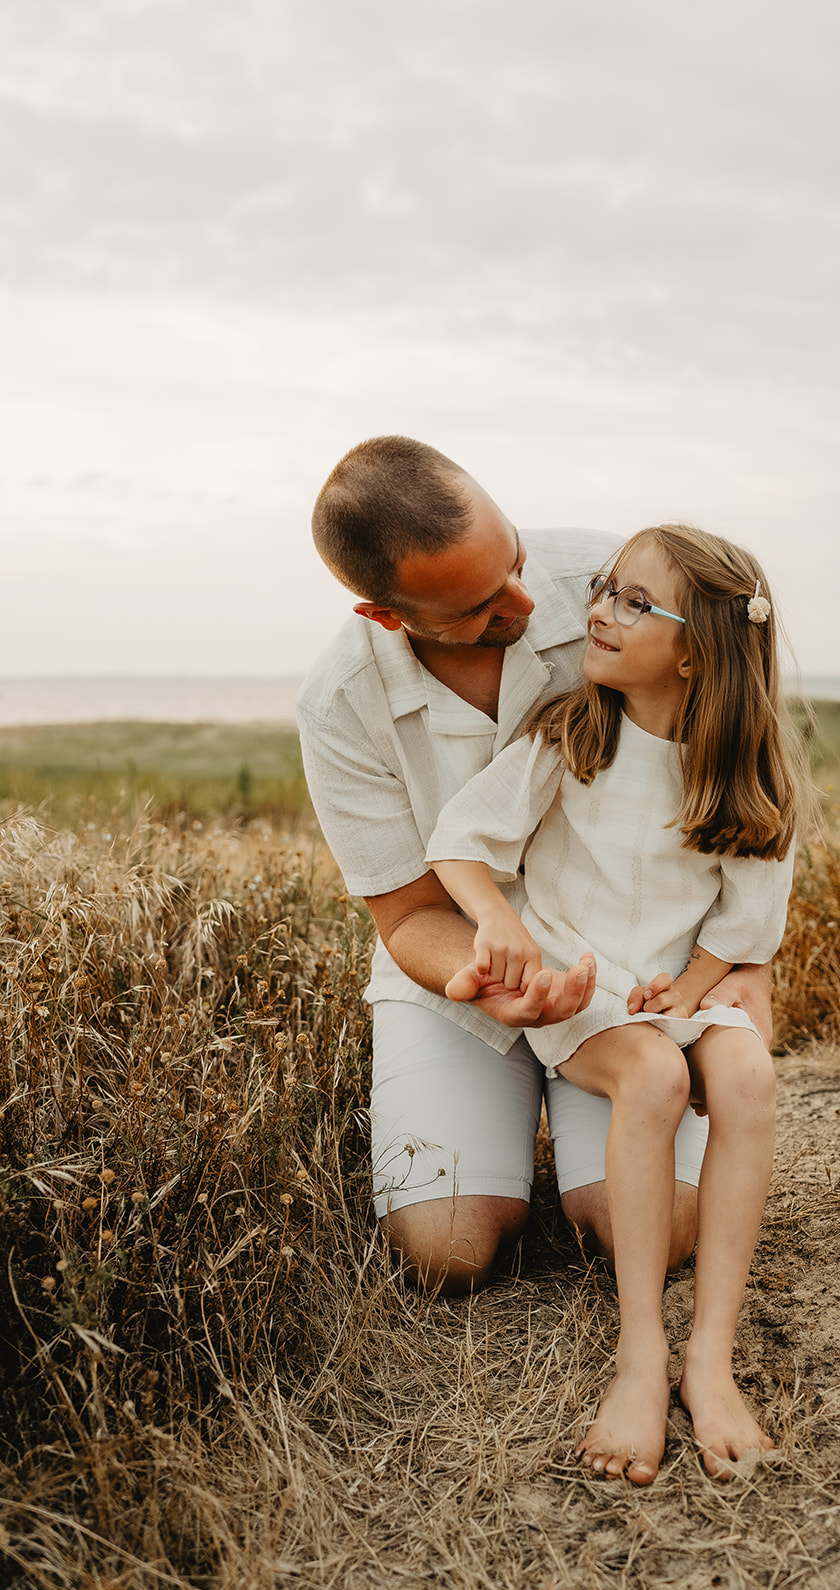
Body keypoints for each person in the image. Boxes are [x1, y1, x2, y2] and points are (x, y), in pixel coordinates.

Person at [298, 437, 774, 1295]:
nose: (526, 601)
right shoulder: (339, 704)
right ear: (387, 616)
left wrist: (746, 966)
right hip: (463, 980)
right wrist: (491, 978)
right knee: (446, 1250)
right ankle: (503, 1135)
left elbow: (736, 730)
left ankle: (586, 1151)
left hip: (627, 966)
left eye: (513, 559)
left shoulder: (614, 579)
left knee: (657, 1231)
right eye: (480, 606)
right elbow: (408, 915)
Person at [426, 523, 799, 1484]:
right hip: (578, 987)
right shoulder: (572, 735)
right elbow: (459, 840)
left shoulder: (744, 770)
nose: (598, 610)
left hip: (672, 987)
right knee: (652, 1072)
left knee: (747, 1075)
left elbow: (744, 923)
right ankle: (641, 1353)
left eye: (636, 602)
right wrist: (495, 922)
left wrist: (692, 987)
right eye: (605, 587)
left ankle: (709, 1356)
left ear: (694, 652)